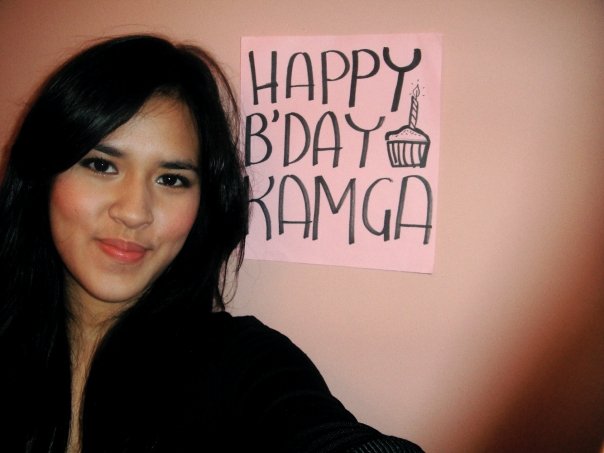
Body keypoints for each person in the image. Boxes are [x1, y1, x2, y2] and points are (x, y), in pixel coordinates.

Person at [0, 34, 423, 453]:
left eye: (171, 179)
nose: (134, 211)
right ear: (42, 176)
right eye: (101, 165)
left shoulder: (242, 363)